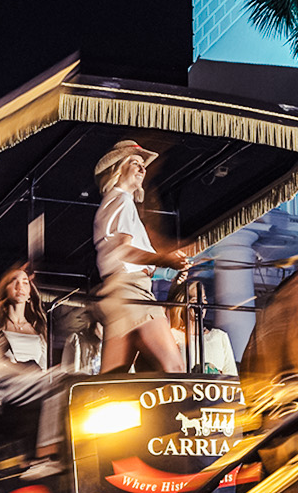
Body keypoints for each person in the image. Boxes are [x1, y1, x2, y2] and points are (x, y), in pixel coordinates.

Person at [92, 140, 189, 372]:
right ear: (119, 168)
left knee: (113, 380)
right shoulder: (122, 201)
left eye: (142, 164)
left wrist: (167, 267)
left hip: (118, 294)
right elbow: (123, 252)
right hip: (132, 293)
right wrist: (164, 259)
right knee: (173, 369)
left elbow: (127, 259)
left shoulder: (114, 203)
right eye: (135, 162)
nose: (142, 168)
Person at [0, 262, 50, 404]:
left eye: (25, 283)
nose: (20, 287)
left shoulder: (38, 330)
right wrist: (31, 373)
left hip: (30, 394)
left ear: (29, 293)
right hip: (2, 398)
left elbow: (43, 368)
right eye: (14, 282)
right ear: (5, 289)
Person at [167, 276, 239, 376]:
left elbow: (231, 375)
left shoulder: (220, 336)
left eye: (204, 299)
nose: (201, 304)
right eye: (195, 300)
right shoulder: (172, 336)